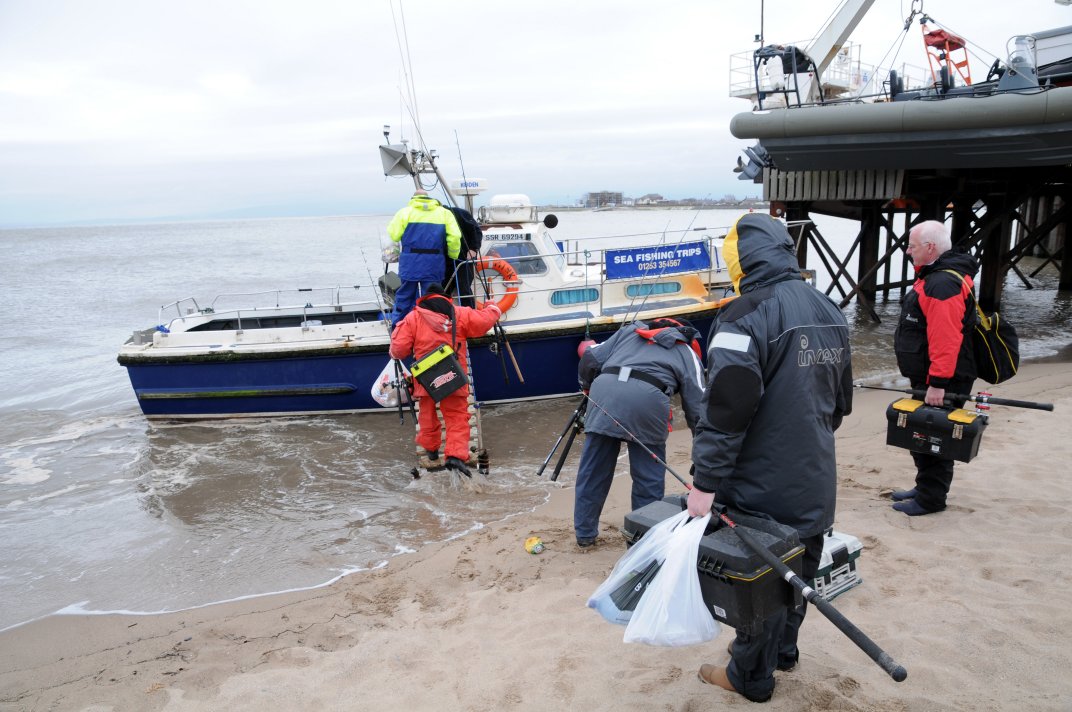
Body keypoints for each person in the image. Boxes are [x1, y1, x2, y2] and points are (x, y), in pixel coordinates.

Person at [686, 213, 853, 703]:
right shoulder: (829, 308)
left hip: (761, 483)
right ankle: (785, 651)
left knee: (758, 579)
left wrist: (706, 482)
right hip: (815, 474)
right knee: (799, 568)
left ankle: (749, 677)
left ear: (739, 259)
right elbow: (840, 402)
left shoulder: (742, 315)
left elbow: (726, 409)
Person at [573, 318, 705, 548]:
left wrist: (587, 387)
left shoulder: (629, 332)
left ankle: (584, 536)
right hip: (648, 400)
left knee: (593, 470)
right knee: (648, 476)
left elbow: (591, 357)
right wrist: (703, 447)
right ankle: (642, 540)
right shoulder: (685, 350)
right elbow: (698, 406)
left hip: (603, 393)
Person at [891, 219, 979, 516]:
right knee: (922, 434)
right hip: (931, 375)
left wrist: (938, 383)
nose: (907, 251)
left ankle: (931, 499)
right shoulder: (937, 276)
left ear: (930, 248)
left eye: (912, 246)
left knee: (933, 436)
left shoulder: (942, 283)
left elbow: (946, 337)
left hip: (942, 379)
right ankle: (925, 486)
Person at [389, 284, 502, 475]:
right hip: (453, 375)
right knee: (457, 416)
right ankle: (455, 457)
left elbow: (399, 350)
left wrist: (393, 348)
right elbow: (483, 322)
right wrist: (493, 308)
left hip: (425, 378)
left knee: (427, 415)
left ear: (424, 299)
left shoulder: (412, 318)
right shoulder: (460, 313)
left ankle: (432, 451)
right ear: (445, 297)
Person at [386, 190, 462, 325]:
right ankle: (431, 330)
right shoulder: (444, 213)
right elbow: (455, 237)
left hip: (410, 264)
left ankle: (400, 329)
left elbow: (393, 236)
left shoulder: (404, 213)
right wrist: (453, 255)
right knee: (432, 298)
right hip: (434, 264)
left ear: (413, 198)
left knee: (404, 298)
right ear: (429, 198)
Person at [444, 205, 483, 308]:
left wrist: (474, 249)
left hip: (464, 258)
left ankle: (470, 314)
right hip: (446, 260)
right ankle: (444, 315)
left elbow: (476, 230)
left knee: (463, 288)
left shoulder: (459, 213)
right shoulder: (435, 219)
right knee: (443, 288)